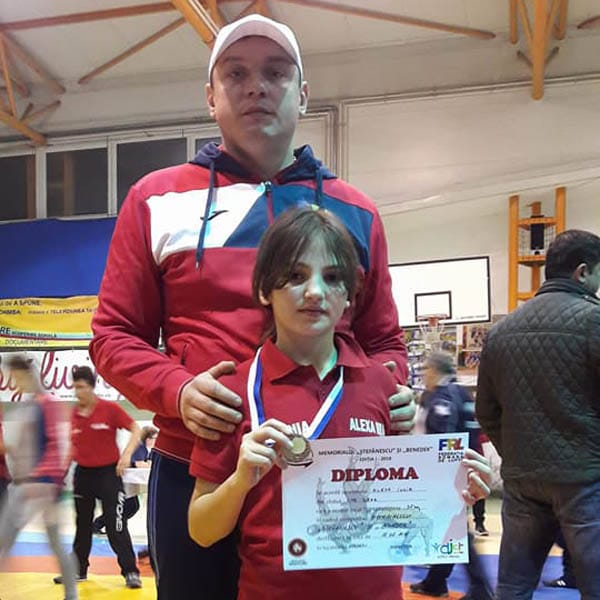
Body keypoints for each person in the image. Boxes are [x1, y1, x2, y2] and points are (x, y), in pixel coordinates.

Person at [89, 13, 416, 600]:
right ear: (210, 96)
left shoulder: (356, 211)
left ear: (302, 94)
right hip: (196, 466)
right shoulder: (156, 199)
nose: (256, 87)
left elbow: (384, 341)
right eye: (235, 74)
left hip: (329, 471)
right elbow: (113, 336)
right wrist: (178, 391)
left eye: (275, 72)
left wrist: (389, 388)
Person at [188, 207, 491, 600]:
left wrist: (455, 491)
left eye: (332, 278)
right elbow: (201, 530)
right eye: (296, 276)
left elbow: (408, 505)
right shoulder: (232, 391)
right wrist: (240, 480)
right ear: (264, 289)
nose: (315, 291)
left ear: (349, 295)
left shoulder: (382, 385)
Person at [476, 229, 600, 599]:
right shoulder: (594, 321)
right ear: (582, 272)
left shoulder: (500, 332)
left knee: (513, 587)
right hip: (585, 479)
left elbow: (486, 411)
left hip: (523, 481)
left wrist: (517, 453)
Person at [410, 351, 493, 600]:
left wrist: (436, 473)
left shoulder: (443, 398)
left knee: (456, 529)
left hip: (444, 474)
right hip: (460, 470)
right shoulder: (462, 393)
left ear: (436, 371)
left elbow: (444, 438)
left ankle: (479, 588)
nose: (424, 376)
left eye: (427, 370)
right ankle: (436, 581)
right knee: (450, 527)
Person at [53, 366, 142, 589]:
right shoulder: (75, 414)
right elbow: (73, 446)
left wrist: (126, 455)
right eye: (75, 387)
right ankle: (79, 570)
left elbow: (136, 429)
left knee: (115, 525)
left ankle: (131, 572)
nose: (78, 392)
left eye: (82, 387)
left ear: (91, 387)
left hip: (108, 475)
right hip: (83, 475)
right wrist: (62, 472)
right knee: (82, 525)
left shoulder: (109, 409)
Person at [0, 355, 77, 600]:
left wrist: (42, 478)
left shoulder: (46, 404)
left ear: (26, 375)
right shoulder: (30, 406)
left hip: (38, 486)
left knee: (4, 538)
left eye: (16, 376)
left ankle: (72, 594)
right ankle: (72, 594)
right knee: (52, 541)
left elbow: (54, 444)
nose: (15, 382)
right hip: (34, 484)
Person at [92, 426, 157, 534]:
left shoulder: (146, 450)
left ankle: (109, 524)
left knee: (131, 506)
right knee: (129, 506)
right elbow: (139, 464)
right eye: (155, 438)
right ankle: (101, 524)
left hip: (130, 482)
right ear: (148, 439)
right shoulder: (140, 448)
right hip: (124, 482)